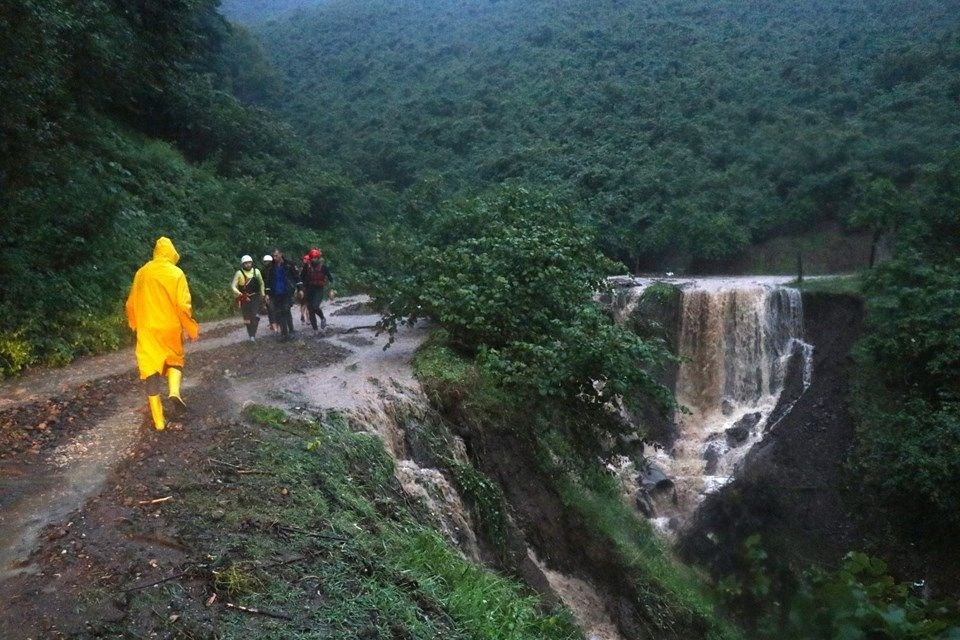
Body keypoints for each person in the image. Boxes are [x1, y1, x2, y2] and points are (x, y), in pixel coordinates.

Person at [125, 237, 199, 431]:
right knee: (174, 360)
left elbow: (131, 302)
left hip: (147, 328)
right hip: (169, 326)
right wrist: (190, 328)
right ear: (171, 252)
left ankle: (159, 421)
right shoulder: (177, 273)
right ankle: (174, 391)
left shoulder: (141, 273)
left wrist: (133, 322)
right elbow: (183, 305)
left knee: (150, 370)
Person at [264, 248, 298, 340]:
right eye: (273, 256)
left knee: (286, 309)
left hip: (287, 292)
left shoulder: (289, 265)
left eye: (276, 255)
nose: (274, 258)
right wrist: (267, 293)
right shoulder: (271, 267)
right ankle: (285, 333)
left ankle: (290, 331)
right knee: (280, 312)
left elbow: (296, 277)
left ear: (281, 254)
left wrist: (299, 289)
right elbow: (267, 281)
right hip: (276, 293)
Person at [231, 255, 265, 341]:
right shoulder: (239, 273)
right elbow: (233, 286)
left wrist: (263, 294)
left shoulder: (256, 272)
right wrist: (240, 294)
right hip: (244, 298)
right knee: (246, 318)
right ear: (242, 264)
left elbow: (261, 283)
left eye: (249, 263)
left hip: (255, 297)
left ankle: (253, 334)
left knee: (254, 316)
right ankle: (250, 334)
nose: (247, 265)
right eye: (245, 263)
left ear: (251, 263)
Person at [301, 248, 334, 332]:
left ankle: (322, 318)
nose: (314, 260)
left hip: (319, 289)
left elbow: (331, 279)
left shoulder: (323, 267)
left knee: (315, 306)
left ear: (318, 258)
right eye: (312, 258)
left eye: (315, 258)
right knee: (310, 310)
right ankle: (315, 330)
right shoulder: (307, 267)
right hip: (309, 289)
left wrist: (332, 289)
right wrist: (300, 289)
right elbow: (301, 278)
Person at [261, 254, 278, 332]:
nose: (267, 263)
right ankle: (273, 324)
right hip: (267, 292)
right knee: (270, 309)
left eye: (269, 261)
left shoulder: (276, 269)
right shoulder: (262, 271)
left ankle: (277, 323)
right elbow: (261, 282)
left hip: (276, 291)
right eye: (266, 262)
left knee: (277, 308)